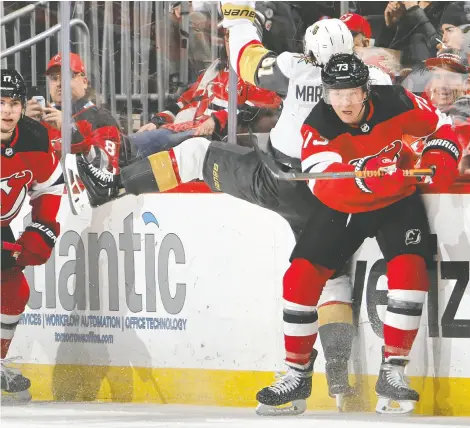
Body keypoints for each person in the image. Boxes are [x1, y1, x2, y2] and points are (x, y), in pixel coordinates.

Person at [76, 6, 390, 410]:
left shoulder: (296, 67)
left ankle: (115, 184)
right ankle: (340, 388)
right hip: (332, 194)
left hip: (280, 180)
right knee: (332, 280)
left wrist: (241, 16)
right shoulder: (373, 80)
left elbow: (246, 61)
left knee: (196, 154)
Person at [254, 53, 460, 416]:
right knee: (300, 276)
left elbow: (442, 124)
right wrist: (371, 177)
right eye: (336, 93)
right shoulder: (317, 125)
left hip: (397, 201)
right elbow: (329, 190)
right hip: (347, 206)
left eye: (352, 93)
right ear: (326, 94)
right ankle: (296, 372)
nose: (345, 102)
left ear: (367, 91)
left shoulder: (396, 100)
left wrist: (441, 156)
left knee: (410, 271)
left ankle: (394, 371)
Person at [1, 69, 63, 403]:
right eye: (0, 103)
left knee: (15, 287)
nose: (7, 111)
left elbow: (51, 185)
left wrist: (44, 225)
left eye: (14, 103)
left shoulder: (36, 138)